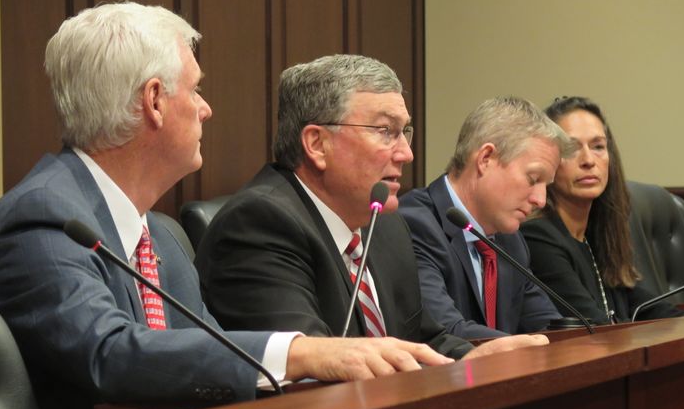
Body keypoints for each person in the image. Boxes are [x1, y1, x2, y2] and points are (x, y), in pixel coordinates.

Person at [0, 3, 457, 409]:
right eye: (195, 90)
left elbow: (210, 350)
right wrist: (300, 353)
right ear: (154, 102)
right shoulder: (45, 218)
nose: (207, 109)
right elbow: (108, 354)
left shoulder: (160, 236)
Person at [194, 55, 547, 359]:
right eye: (385, 131)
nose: (406, 154)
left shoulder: (385, 226)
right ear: (317, 143)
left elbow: (424, 339)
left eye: (404, 132)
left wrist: (475, 357)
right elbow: (310, 366)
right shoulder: (260, 225)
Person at [399, 97, 574, 339]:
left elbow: (547, 326)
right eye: (533, 179)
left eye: (546, 186)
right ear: (485, 159)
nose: (541, 200)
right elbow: (446, 332)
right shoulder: (415, 225)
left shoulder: (510, 242)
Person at [520, 96, 684, 324]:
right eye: (571, 148)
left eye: (598, 146)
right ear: (549, 161)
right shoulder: (539, 238)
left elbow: (650, 308)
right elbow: (597, 330)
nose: (589, 160)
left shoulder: (598, 235)